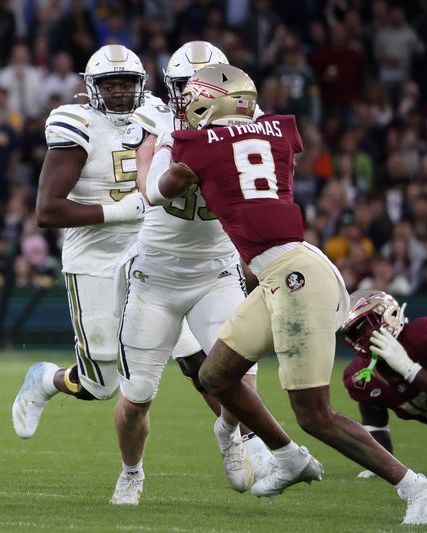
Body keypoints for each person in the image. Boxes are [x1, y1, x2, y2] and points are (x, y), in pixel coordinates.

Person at [151, 64, 427, 525]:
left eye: (192, 103)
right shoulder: (279, 130)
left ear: (209, 104)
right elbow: (268, 152)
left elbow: (160, 191)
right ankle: (288, 458)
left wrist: (169, 143)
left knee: (315, 413)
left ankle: (417, 488)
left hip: (294, 278)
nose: (186, 112)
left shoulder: (194, 145)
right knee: (215, 375)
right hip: (284, 269)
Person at [111, 41, 271, 505]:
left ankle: (230, 435)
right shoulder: (155, 121)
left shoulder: (250, 125)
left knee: (238, 378)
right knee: (137, 397)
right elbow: (148, 186)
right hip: (154, 275)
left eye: (205, 86)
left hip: (216, 271)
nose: (194, 96)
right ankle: (131, 471)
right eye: (186, 87)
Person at [11, 45, 151, 441]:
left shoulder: (157, 116)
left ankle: (246, 442)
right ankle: (45, 379)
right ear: (93, 88)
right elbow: (47, 211)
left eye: (127, 84)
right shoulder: (78, 124)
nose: (121, 92)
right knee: (100, 385)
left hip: (149, 252)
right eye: (111, 84)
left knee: (199, 357)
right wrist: (122, 211)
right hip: (95, 256)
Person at [341, 290, 427, 478]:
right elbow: (375, 425)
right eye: (356, 332)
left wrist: (410, 370)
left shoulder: (425, 335)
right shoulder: (360, 377)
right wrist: (381, 464)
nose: (365, 336)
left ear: (390, 314)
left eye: (369, 325)